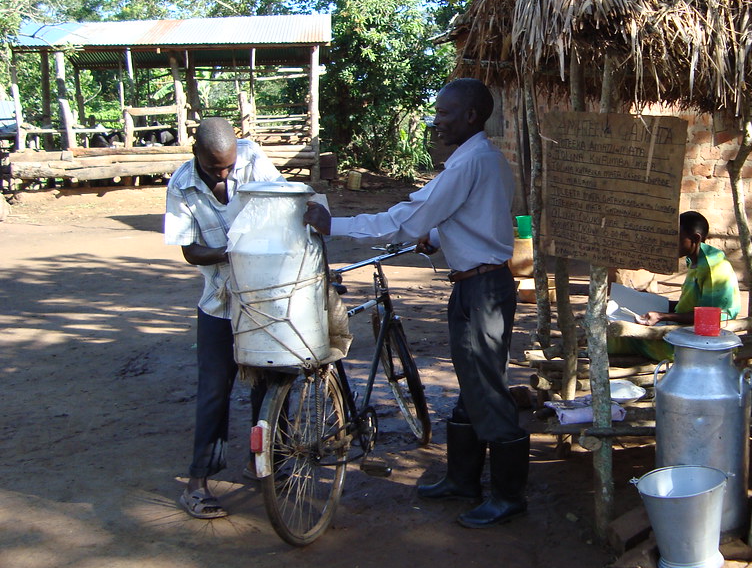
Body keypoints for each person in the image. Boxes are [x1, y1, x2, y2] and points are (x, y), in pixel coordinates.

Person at [303, 78, 527, 529]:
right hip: (480, 283)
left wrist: (335, 225)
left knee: (487, 389)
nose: (436, 121)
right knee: (474, 383)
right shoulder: (486, 160)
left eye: (444, 114)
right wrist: (440, 238)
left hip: (481, 290)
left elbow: (404, 219)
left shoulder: (467, 165)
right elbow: (480, 220)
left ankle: (508, 496)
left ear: (470, 116)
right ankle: (462, 480)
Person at [164, 117, 283, 518]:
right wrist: (232, 253)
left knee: (266, 380)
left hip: (263, 294)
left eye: (229, 166)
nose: (225, 173)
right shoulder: (181, 186)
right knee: (214, 389)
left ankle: (259, 462)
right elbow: (190, 251)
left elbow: (280, 204)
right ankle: (197, 483)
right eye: (216, 168)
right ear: (195, 153)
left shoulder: (251, 157)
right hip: (218, 301)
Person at [610, 211, 741, 362]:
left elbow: (710, 319)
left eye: (676, 239)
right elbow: (692, 306)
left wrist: (662, 316)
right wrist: (649, 300)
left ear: (695, 239)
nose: (670, 245)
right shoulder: (695, 261)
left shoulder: (713, 270)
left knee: (624, 337)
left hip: (704, 345)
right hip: (690, 330)